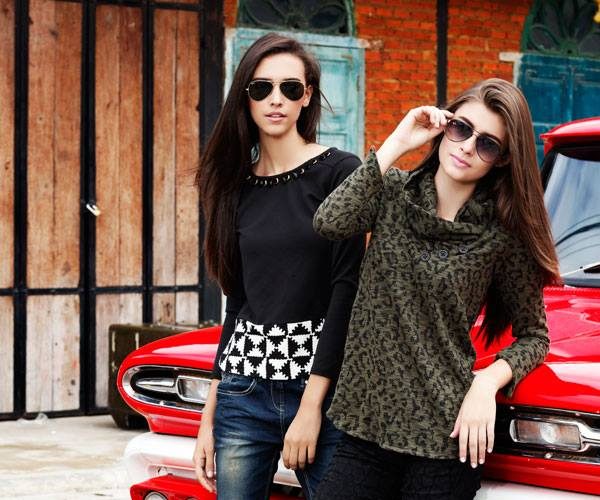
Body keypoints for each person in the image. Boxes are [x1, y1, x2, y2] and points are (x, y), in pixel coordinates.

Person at [312, 78, 560, 500]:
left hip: (447, 438)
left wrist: (486, 383)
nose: (467, 147)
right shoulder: (392, 193)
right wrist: (398, 140)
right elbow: (329, 221)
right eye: (462, 128)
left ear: (502, 159)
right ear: (445, 125)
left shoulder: (501, 235)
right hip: (367, 429)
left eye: (488, 144)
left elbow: (535, 336)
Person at [193, 33, 365, 500]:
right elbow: (238, 303)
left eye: (290, 88)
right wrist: (209, 417)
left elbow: (346, 292)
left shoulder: (339, 172)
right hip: (243, 394)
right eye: (261, 88)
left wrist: (310, 407)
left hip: (322, 393)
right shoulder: (234, 189)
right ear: (245, 97)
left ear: (307, 96)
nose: (276, 100)